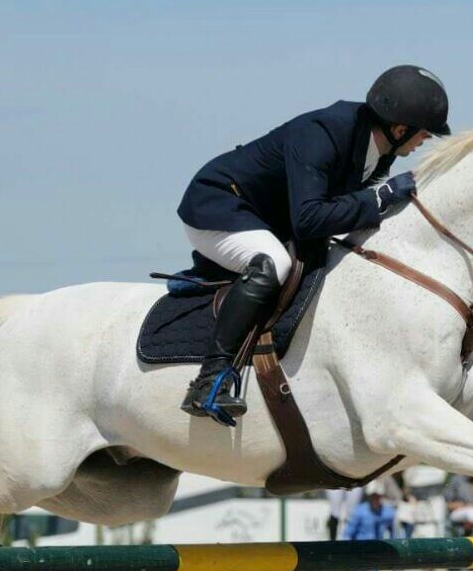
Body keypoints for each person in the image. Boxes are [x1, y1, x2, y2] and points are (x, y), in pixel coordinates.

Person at [176, 65, 451, 424]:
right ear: (401, 129)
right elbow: (308, 220)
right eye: (424, 135)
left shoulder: (377, 150)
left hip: (269, 218)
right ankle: (209, 381)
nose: (423, 143)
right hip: (218, 206)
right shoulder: (324, 133)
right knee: (274, 262)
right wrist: (379, 198)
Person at [344, 480, 397, 571]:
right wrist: (349, 551)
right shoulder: (359, 511)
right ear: (369, 496)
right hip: (361, 551)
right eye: (373, 496)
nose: (375, 499)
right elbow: (348, 533)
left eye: (378, 496)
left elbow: (394, 532)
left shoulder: (388, 513)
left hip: (379, 551)